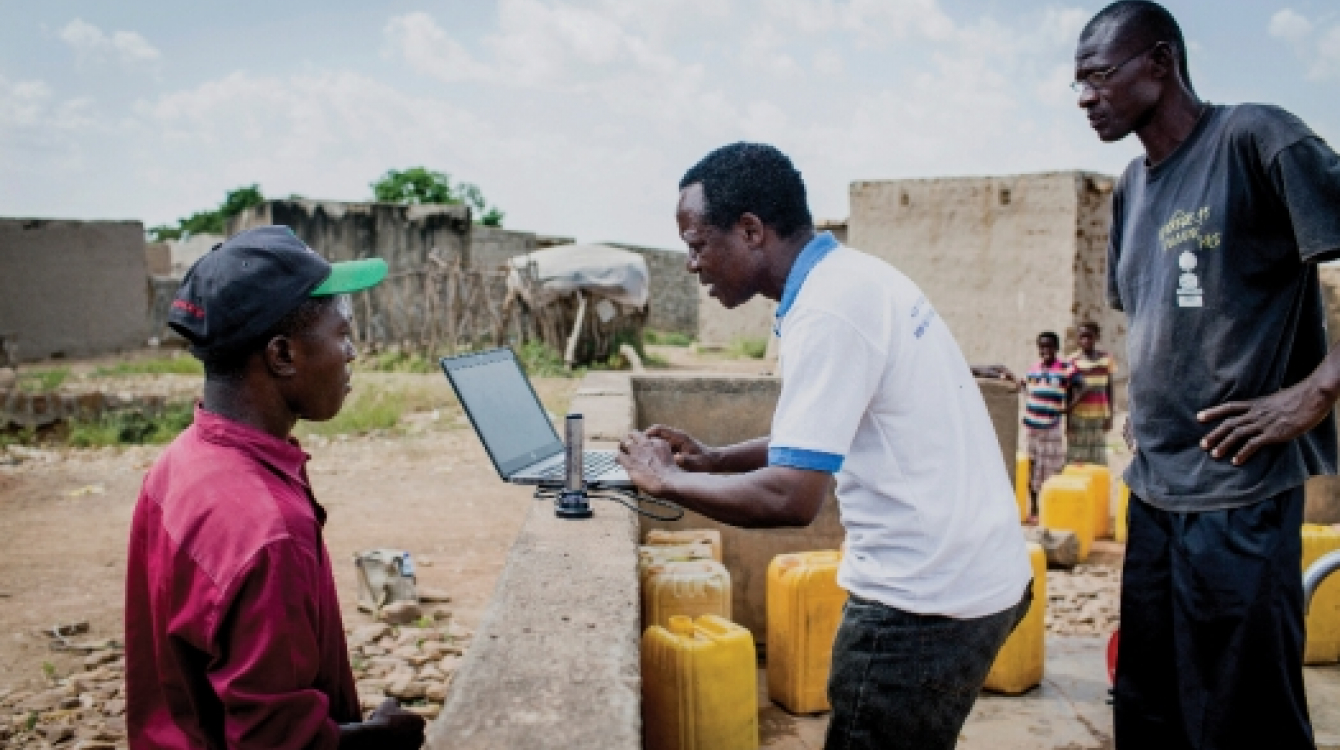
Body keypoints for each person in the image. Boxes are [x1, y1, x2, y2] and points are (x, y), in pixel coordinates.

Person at [616, 142, 1032, 750]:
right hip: (979, 578)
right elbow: (821, 437)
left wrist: (667, 481)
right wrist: (714, 459)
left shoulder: (829, 310)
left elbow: (791, 497)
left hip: (922, 603)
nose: (691, 265)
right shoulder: (853, 278)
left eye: (697, 244)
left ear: (751, 231)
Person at [1076, 2, 1340, 747]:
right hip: (1156, 493)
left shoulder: (1257, 139)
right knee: (1152, 706)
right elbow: (1155, 317)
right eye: (1078, 85)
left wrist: (1315, 392)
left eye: (1100, 76)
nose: (1086, 98)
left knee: (1241, 714)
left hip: (1241, 491)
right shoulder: (1131, 186)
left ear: (1160, 63)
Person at [124, 226, 426, 749]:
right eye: (342, 333)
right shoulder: (267, 529)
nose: (351, 353)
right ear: (283, 355)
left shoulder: (181, 463)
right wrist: (376, 739)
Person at [1022, 331, 1083, 518]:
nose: (1045, 350)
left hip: (1051, 427)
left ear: (1056, 348)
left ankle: (1050, 508)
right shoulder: (1033, 369)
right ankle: (1034, 508)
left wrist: (1068, 409)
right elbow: (1025, 388)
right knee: (1032, 468)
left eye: (1049, 346)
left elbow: (1082, 387)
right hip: (1032, 428)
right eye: (1042, 347)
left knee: (1051, 469)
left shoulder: (1065, 368)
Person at [1066, 322, 1115, 465]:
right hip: (1078, 416)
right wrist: (1067, 423)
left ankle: (1095, 485)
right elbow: (1068, 393)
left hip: (1099, 416)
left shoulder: (1106, 359)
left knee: (1097, 456)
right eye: (1082, 337)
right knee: (1077, 457)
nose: (1086, 340)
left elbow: (1109, 389)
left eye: (1089, 336)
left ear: (1097, 337)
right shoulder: (1072, 361)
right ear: (1077, 339)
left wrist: (1110, 416)